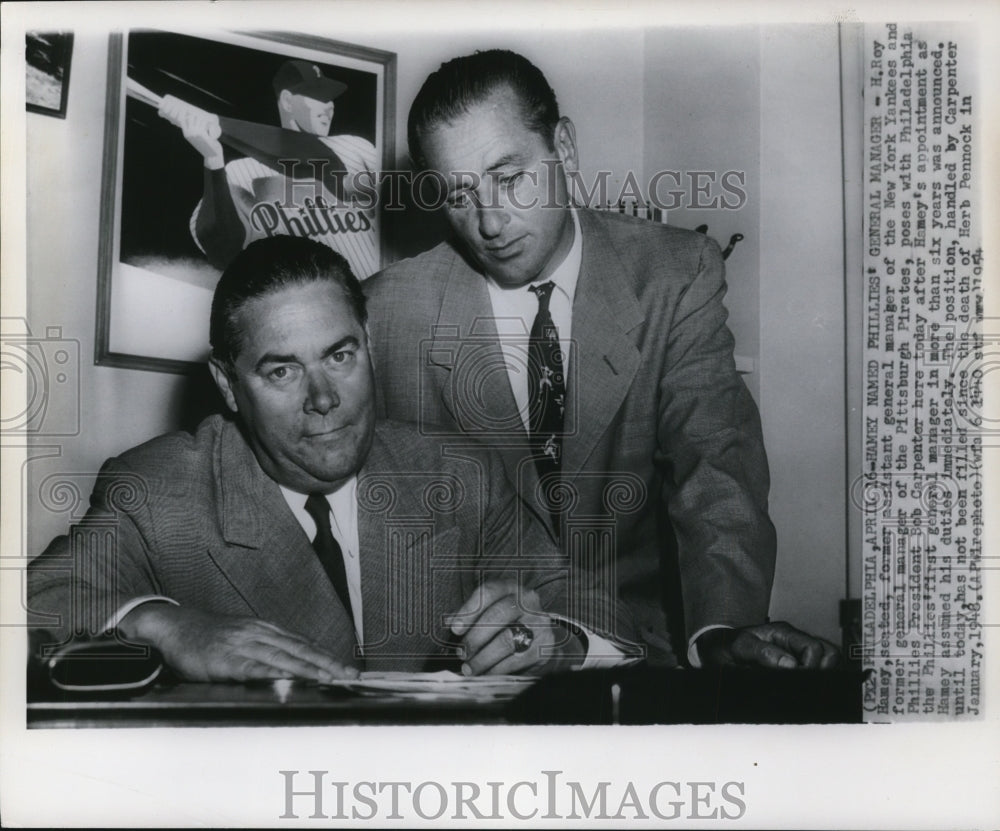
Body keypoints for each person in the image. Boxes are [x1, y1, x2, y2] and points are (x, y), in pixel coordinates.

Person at [364, 49, 839, 670]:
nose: (489, 221)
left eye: (510, 177)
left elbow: (716, 464)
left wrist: (721, 631)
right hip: (473, 662)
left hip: (647, 652)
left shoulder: (675, 273)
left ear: (563, 146)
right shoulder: (387, 311)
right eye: (459, 195)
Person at [27, 237, 634, 683]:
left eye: (339, 356)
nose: (323, 399)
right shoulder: (159, 491)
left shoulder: (459, 475)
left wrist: (559, 641)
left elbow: (604, 614)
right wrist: (164, 625)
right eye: (282, 370)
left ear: (369, 346)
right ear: (229, 385)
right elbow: (32, 601)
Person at [157, 59, 379, 279]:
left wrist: (218, 124)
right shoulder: (240, 171)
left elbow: (318, 159)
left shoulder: (355, 148)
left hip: (380, 295)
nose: (329, 105)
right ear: (287, 101)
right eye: (318, 96)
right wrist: (213, 161)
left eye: (330, 98)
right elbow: (222, 251)